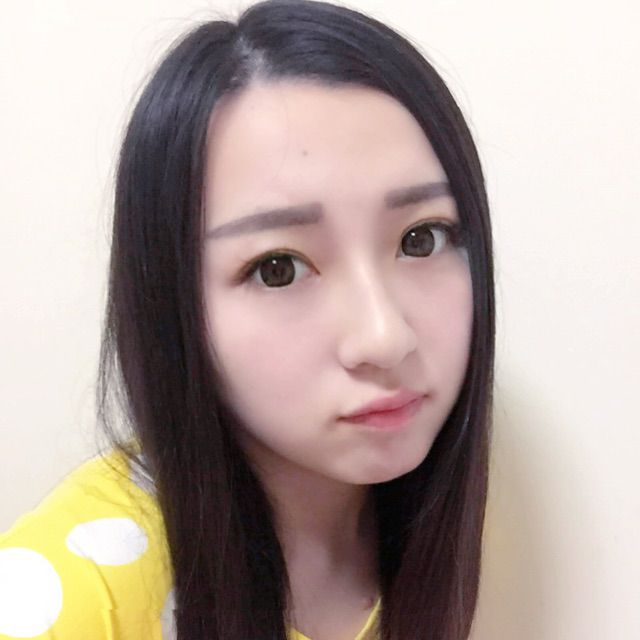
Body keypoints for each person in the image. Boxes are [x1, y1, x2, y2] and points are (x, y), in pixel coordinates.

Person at [0, 0, 495, 638]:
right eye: (277, 269)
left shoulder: (409, 514)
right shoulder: (70, 599)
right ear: (173, 302)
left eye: (422, 239)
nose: (385, 337)